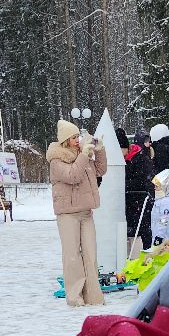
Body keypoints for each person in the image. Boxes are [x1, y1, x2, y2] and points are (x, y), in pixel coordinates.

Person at [49, 118, 109, 306]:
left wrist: (99, 150)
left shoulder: (82, 155)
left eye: (78, 136)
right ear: (66, 139)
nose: (77, 139)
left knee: (90, 255)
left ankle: (93, 296)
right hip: (68, 214)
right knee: (72, 255)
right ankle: (75, 298)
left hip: (86, 212)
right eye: (74, 137)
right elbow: (73, 176)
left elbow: (101, 170)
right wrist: (84, 155)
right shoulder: (56, 159)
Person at [123, 127, 155, 249]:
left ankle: (145, 253)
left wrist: (124, 184)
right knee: (136, 230)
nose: (149, 143)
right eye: (147, 141)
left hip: (141, 199)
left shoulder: (142, 158)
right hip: (134, 199)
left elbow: (144, 180)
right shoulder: (137, 157)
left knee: (142, 229)